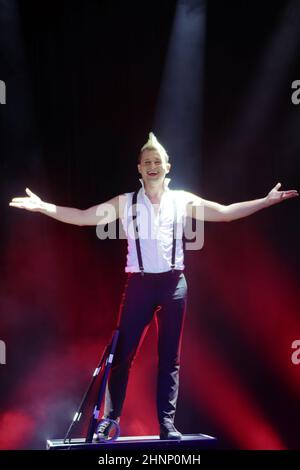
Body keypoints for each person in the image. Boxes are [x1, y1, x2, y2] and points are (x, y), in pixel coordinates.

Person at [9, 132, 298, 440]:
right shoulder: (127, 203)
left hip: (174, 285)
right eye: (147, 162)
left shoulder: (181, 200)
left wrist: (265, 202)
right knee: (122, 356)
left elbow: (224, 213)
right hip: (140, 285)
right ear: (139, 168)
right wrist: (43, 207)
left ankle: (167, 424)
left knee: (170, 358)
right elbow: (83, 217)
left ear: (167, 167)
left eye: (157, 161)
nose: (152, 166)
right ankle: (111, 419)